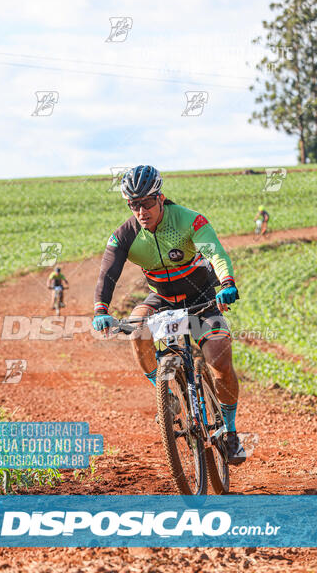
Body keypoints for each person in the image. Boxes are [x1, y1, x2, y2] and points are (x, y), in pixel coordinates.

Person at [92, 165, 246, 465]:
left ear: (160, 198)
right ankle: (168, 398)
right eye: (133, 204)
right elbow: (107, 274)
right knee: (137, 334)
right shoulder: (125, 235)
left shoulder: (188, 221)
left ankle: (230, 432)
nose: (141, 210)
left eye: (147, 202)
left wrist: (226, 283)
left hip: (202, 297)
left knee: (219, 359)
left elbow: (215, 253)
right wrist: (101, 309)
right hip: (162, 298)